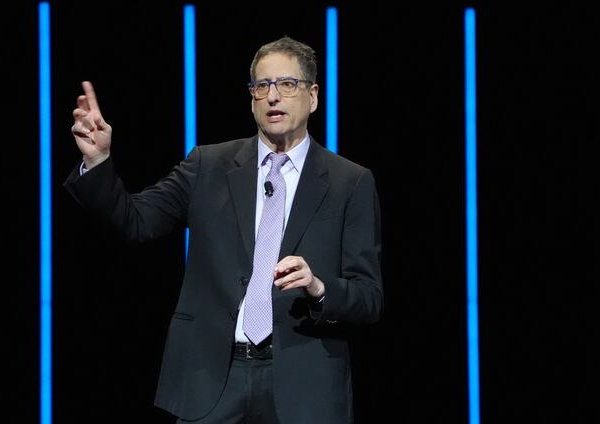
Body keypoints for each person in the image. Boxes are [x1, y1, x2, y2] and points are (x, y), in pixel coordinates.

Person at [64, 36, 383, 424]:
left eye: (287, 84)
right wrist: (98, 161)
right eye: (261, 86)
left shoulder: (349, 182)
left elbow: (368, 297)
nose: (272, 97)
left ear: (312, 96)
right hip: (212, 382)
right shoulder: (208, 165)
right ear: (251, 98)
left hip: (304, 387)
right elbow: (135, 221)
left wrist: (318, 287)